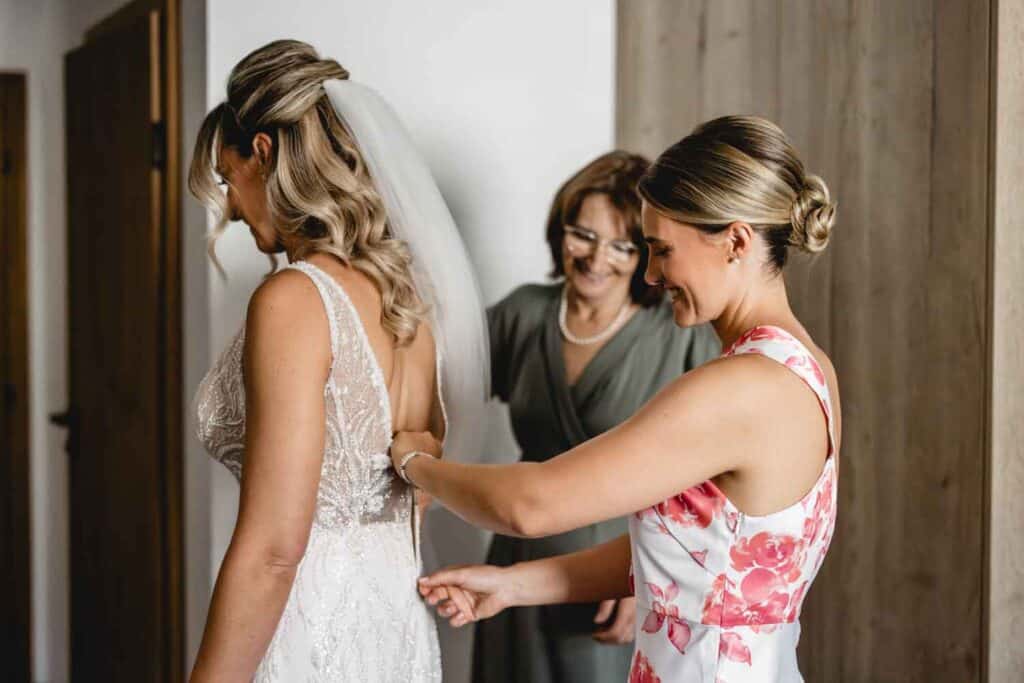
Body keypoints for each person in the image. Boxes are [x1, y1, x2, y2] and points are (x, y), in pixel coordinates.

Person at [392, 115, 841, 682]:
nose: (650, 274)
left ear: (735, 241)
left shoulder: (738, 388)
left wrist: (416, 463)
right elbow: (694, 557)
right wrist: (514, 586)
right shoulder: (805, 366)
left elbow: (531, 505)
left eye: (660, 249)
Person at [188, 40, 488, 682]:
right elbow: (417, 483)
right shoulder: (411, 295)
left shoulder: (294, 299)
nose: (231, 208)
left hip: (310, 629)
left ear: (263, 152)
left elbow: (273, 552)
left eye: (228, 178)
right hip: (396, 629)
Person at [475, 151, 719, 683]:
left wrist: (651, 575)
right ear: (560, 230)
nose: (596, 258)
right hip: (516, 561)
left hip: (619, 575)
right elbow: (437, 387)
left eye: (622, 246)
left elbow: (712, 483)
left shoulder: (679, 333)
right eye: (582, 235)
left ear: (647, 254)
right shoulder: (523, 313)